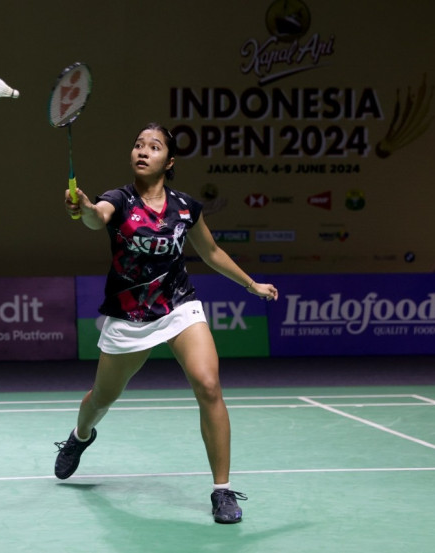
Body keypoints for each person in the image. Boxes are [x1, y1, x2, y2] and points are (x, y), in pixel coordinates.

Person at [56, 122, 279, 524]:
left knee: (209, 384)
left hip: (179, 305)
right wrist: (85, 209)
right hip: (129, 315)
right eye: (138, 144)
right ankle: (80, 437)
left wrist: (250, 284)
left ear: (169, 161)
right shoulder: (119, 200)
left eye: (153, 146)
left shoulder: (186, 207)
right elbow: (96, 218)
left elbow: (210, 252)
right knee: (102, 399)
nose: (143, 151)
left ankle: (222, 492)